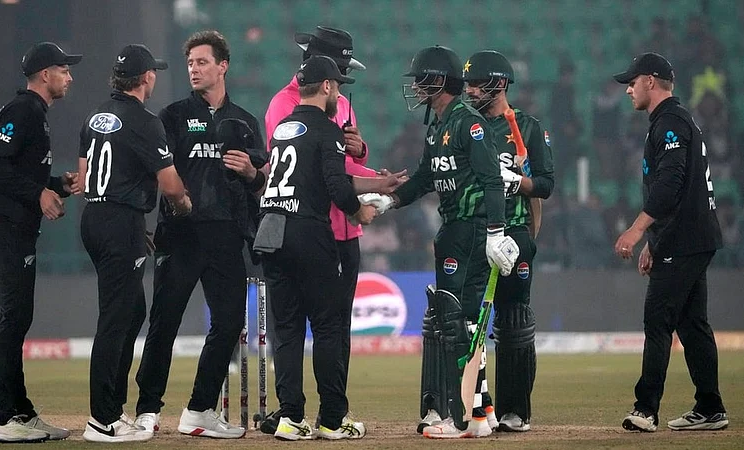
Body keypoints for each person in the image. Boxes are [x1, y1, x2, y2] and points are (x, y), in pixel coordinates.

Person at [372, 45, 520, 439]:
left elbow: (491, 180)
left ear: (438, 81)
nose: (417, 87)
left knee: (458, 324)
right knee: (467, 321)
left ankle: (460, 418)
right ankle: (482, 412)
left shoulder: (468, 122)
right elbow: (425, 178)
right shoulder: (438, 126)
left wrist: (495, 231)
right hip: (454, 229)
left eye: (422, 79)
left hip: (470, 230)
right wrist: (389, 201)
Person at [255, 55, 404, 441]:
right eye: (336, 85)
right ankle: (333, 419)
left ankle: (290, 418)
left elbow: (313, 178)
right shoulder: (327, 129)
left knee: (287, 330)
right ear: (325, 87)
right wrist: (360, 213)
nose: (338, 92)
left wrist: (375, 185)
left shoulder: (283, 128)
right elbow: (336, 188)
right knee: (329, 326)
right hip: (309, 233)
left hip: (271, 230)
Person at [133, 30, 267, 439]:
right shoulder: (172, 117)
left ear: (223, 66)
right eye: (190, 63)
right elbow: (154, 173)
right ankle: (147, 409)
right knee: (164, 322)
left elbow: (262, 179)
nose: (194, 69)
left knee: (227, 323)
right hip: (181, 233)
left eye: (202, 62)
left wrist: (251, 172)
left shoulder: (245, 121)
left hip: (227, 234)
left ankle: (200, 409)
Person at [78, 44, 192, 443]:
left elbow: (83, 173)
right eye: (153, 73)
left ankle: (113, 409)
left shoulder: (96, 116)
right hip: (119, 221)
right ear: (146, 78)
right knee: (116, 318)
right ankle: (103, 419)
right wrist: (183, 203)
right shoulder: (145, 121)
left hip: (95, 215)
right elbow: (170, 183)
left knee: (130, 312)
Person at [612, 53, 728, 432]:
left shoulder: (670, 122)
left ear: (650, 80)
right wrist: (654, 242)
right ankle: (710, 408)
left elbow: (670, 184)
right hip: (689, 237)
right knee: (692, 324)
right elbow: (679, 189)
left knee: (658, 321)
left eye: (632, 81)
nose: (628, 89)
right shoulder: (672, 120)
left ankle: (645, 409)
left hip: (685, 239)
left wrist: (638, 229)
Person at [0, 41, 81, 443]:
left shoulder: (32, 112)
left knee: (12, 321)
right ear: (44, 75)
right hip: (4, 227)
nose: (69, 76)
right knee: (13, 320)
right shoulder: (24, 110)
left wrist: (57, 186)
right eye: (64, 69)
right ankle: (3, 417)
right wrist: (38, 195)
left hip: (2, 224)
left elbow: (14, 172)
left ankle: (18, 411)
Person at [463, 50, 555, 432]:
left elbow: (546, 185)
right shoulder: (465, 125)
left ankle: (516, 412)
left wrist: (519, 183)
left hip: (514, 233)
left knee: (513, 320)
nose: (467, 90)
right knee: (467, 323)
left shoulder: (528, 127)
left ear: (498, 85)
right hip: (472, 231)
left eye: (475, 84)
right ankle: (470, 408)